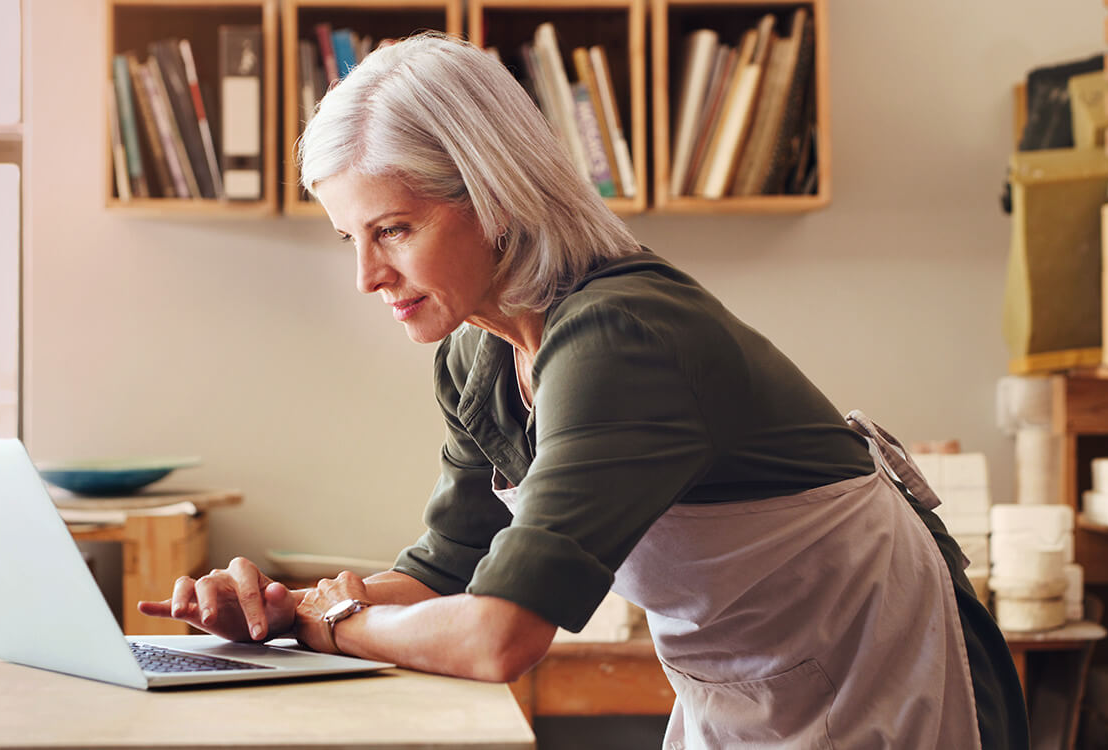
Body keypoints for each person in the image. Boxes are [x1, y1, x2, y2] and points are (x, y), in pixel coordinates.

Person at [139, 32, 1028, 748]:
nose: (368, 276)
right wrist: (278, 610)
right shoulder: (478, 354)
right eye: (350, 239)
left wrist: (324, 622)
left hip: (893, 682)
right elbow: (443, 576)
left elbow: (497, 636)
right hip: (756, 692)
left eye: (394, 230)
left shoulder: (620, 336)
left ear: (492, 196)